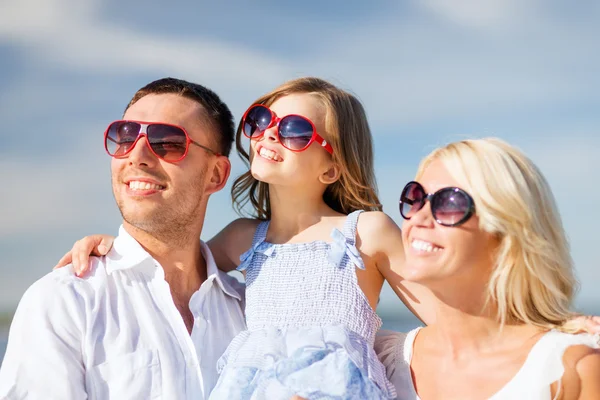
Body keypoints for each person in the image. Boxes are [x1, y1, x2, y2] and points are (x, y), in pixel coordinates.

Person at [47, 77, 435, 399]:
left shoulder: (366, 231)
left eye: (294, 130)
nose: (269, 135)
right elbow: (169, 260)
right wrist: (114, 245)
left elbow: (446, 319)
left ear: (332, 168)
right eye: (262, 120)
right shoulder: (243, 238)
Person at [0, 78, 247, 399]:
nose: (137, 155)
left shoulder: (251, 311)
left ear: (216, 175)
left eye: (168, 142)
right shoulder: (64, 301)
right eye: (125, 137)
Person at [374, 138, 600, 399]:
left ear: (505, 232)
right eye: (416, 198)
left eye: (449, 203)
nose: (419, 218)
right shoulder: (380, 362)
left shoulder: (570, 367)